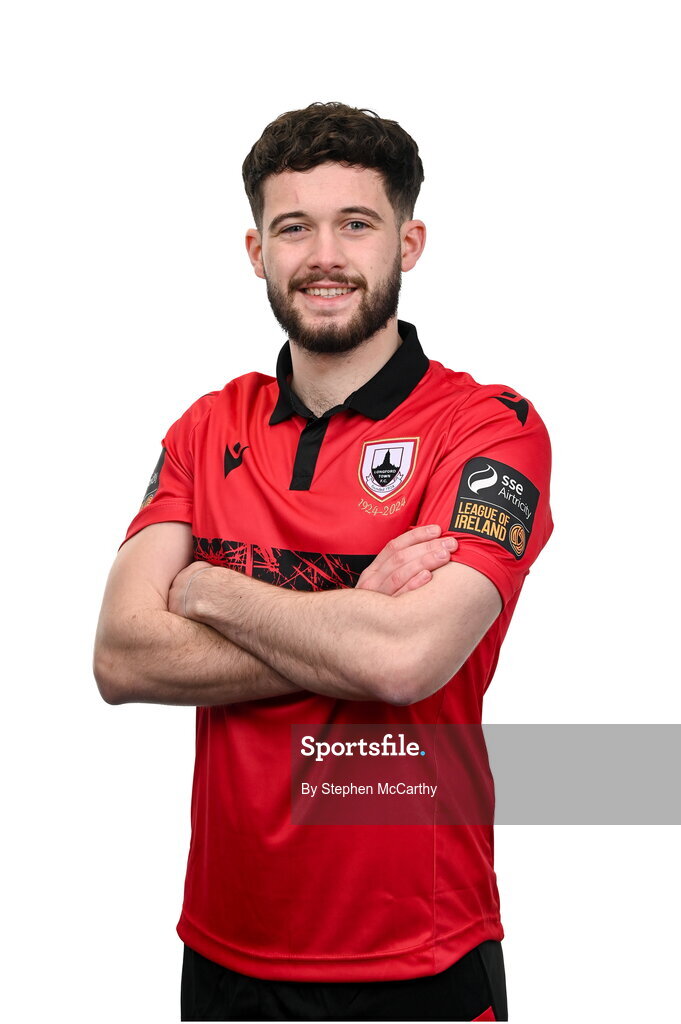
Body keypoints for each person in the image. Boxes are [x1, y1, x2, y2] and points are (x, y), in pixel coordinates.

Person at [94, 101, 553, 1022]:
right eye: (293, 227)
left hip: (418, 953)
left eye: (356, 223)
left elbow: (401, 661)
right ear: (258, 251)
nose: (325, 256)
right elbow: (121, 658)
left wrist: (210, 588)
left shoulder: (490, 430)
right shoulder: (205, 426)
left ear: (408, 243)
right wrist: (353, 607)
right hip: (224, 944)